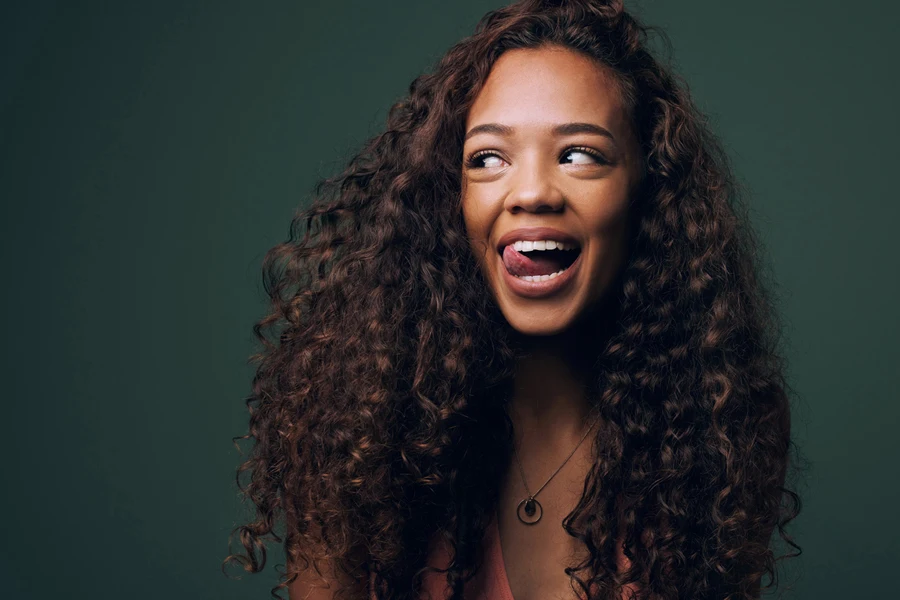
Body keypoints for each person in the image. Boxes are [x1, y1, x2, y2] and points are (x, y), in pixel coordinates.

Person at [224, 1, 803, 598]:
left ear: (645, 188)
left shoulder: (726, 424)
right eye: (489, 158)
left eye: (579, 154)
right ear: (452, 198)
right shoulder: (351, 420)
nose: (529, 193)